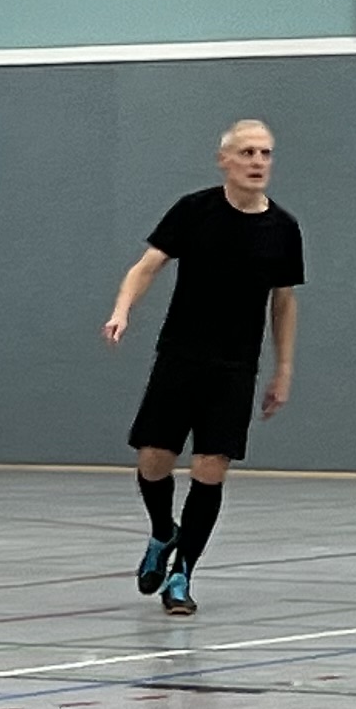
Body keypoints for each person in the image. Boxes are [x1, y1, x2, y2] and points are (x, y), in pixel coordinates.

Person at [103, 119, 302, 618]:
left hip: (235, 367)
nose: (258, 162)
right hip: (180, 356)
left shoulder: (283, 228)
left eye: (266, 153)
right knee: (154, 459)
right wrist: (122, 309)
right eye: (248, 153)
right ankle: (162, 532)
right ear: (224, 160)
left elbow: (283, 303)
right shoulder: (193, 211)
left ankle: (182, 574)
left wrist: (283, 369)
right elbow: (147, 266)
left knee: (210, 469)